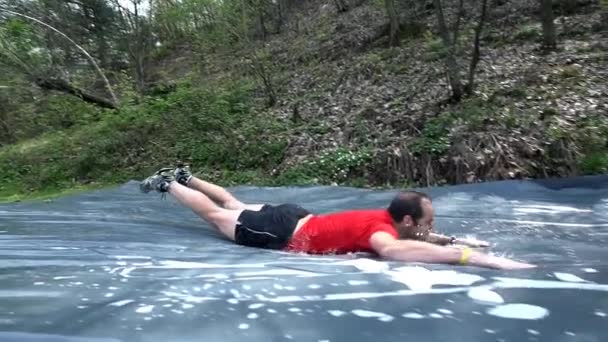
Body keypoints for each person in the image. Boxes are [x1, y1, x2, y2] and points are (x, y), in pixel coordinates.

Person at [139, 165, 536, 270]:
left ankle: (187, 176)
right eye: (428, 222)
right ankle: (168, 184)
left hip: (296, 216)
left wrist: (452, 240)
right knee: (214, 214)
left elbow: (414, 238)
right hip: (282, 229)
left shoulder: (386, 216)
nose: (431, 227)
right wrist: (472, 258)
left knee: (231, 201)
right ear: (408, 221)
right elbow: (394, 251)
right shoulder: (383, 232)